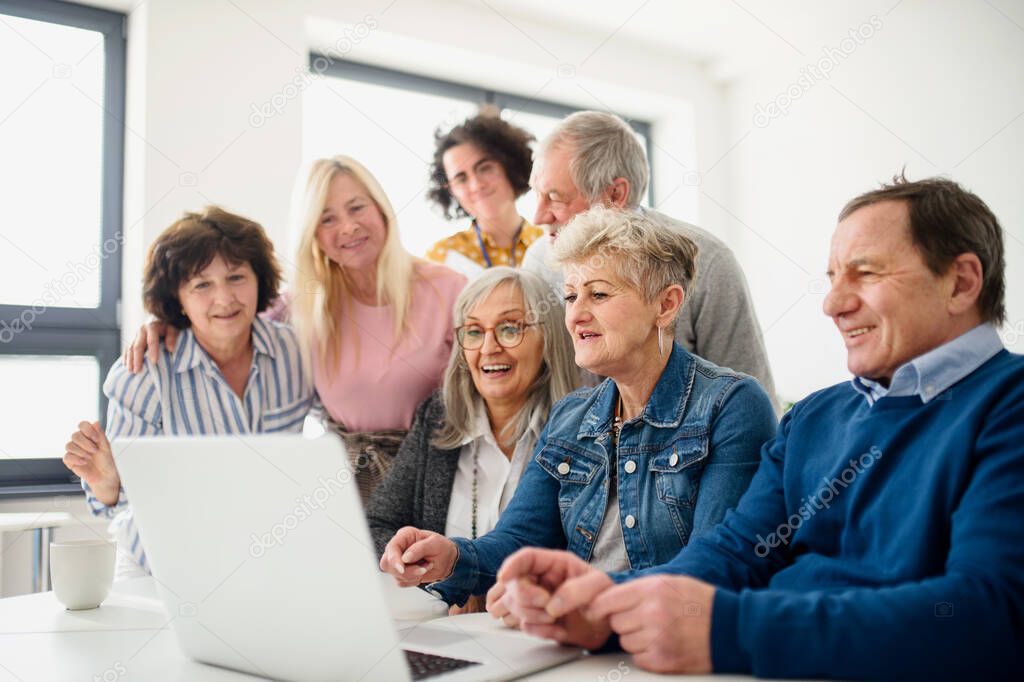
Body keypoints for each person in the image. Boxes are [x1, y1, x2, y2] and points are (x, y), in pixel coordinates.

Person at [495, 176, 1024, 681]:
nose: (833, 304)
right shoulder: (814, 419)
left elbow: (991, 614)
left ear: (961, 283)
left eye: (866, 273)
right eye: (833, 277)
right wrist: (603, 603)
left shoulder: (1008, 404)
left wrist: (730, 628)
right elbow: (734, 555)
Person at [378, 206, 777, 608]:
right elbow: (517, 541)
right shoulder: (572, 416)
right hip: (574, 644)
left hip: (666, 655)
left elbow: (713, 569)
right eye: (571, 296)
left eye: (599, 294)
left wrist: (578, 601)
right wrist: (451, 557)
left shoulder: (732, 405)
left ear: (666, 305)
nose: (576, 315)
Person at [124, 157, 467, 501]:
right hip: (351, 490)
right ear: (313, 234)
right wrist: (165, 322)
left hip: (436, 481)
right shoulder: (301, 306)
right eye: (327, 218)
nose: (348, 227)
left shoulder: (450, 290)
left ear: (381, 209)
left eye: (356, 208)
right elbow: (227, 319)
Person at [63, 207, 316, 577]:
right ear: (176, 298)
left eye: (236, 277)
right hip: (160, 565)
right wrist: (109, 485)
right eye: (202, 285)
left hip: (262, 560)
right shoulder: (143, 373)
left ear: (259, 280)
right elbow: (120, 505)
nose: (225, 298)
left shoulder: (296, 354)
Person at [521, 111, 778, 409]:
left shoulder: (707, 262)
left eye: (555, 198)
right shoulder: (540, 260)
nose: (538, 217)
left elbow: (751, 400)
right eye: (537, 195)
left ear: (615, 194)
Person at [366, 267, 579, 609]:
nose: (489, 348)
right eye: (474, 332)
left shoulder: (582, 430)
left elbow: (584, 558)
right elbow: (376, 526)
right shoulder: (437, 418)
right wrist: (422, 571)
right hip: (445, 633)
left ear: (549, 337)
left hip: (540, 633)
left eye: (510, 328)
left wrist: (476, 582)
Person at [425, 111, 544, 277]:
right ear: (451, 191)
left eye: (485, 168)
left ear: (510, 167)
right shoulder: (441, 257)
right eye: (461, 178)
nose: (476, 185)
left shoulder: (553, 246)